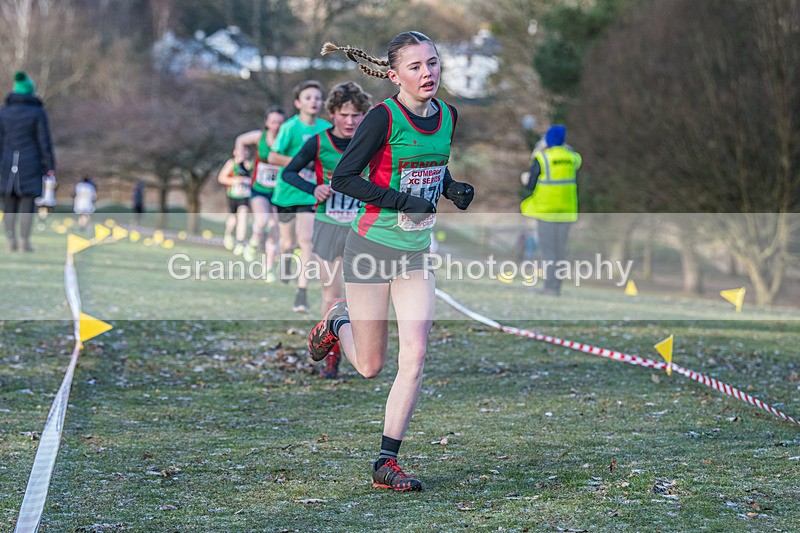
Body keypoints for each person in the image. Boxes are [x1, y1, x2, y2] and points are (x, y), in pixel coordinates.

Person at [308, 32, 475, 491]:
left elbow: (433, 170)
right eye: (417, 66)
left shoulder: (448, 116)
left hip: (415, 255)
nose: (428, 74)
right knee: (370, 366)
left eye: (433, 63)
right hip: (369, 250)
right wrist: (401, 201)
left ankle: (386, 461)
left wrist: (451, 188)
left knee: (416, 356)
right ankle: (336, 322)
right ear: (394, 73)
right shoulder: (382, 118)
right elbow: (344, 178)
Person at [282, 81, 372, 379]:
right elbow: (288, 172)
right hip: (327, 224)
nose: (350, 121)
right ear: (332, 113)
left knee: (360, 292)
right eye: (344, 114)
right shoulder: (318, 143)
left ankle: (361, 352)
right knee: (331, 292)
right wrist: (314, 188)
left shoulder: (371, 142)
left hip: (361, 227)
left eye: (357, 115)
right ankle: (331, 358)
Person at [267, 81, 332, 313]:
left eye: (317, 97)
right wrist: (300, 162)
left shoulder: (326, 128)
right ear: (298, 103)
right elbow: (273, 157)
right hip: (286, 192)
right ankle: (285, 257)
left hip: (310, 194)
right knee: (288, 242)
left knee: (307, 240)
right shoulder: (289, 128)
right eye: (308, 97)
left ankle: (301, 292)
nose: (314, 101)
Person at [520, 125, 582, 296]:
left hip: (547, 211)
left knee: (548, 251)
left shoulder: (542, 157)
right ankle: (557, 287)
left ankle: (549, 287)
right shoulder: (572, 157)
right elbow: (576, 159)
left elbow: (531, 183)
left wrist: (526, 179)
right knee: (560, 251)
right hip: (567, 211)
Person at [1, 71, 56, 252]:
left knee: (9, 204)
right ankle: (24, 240)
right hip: (30, 163)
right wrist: (49, 166)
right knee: (27, 204)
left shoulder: (4, 112)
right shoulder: (38, 112)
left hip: (7, 162)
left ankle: (11, 239)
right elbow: (44, 141)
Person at [234, 106, 286, 279]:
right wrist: (241, 160)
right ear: (267, 122)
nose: (277, 125)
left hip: (280, 192)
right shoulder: (259, 137)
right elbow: (240, 139)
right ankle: (254, 242)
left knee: (275, 228)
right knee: (263, 220)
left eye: (280, 122)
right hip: (260, 189)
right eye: (273, 122)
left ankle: (269, 268)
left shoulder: (288, 139)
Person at [218, 154, 251, 255]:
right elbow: (221, 178)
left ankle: (240, 243)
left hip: (245, 196)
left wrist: (248, 181)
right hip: (232, 195)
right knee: (233, 219)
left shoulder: (250, 164)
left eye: (245, 151)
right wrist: (235, 181)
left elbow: (254, 179)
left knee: (243, 217)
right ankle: (228, 234)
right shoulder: (231, 163)